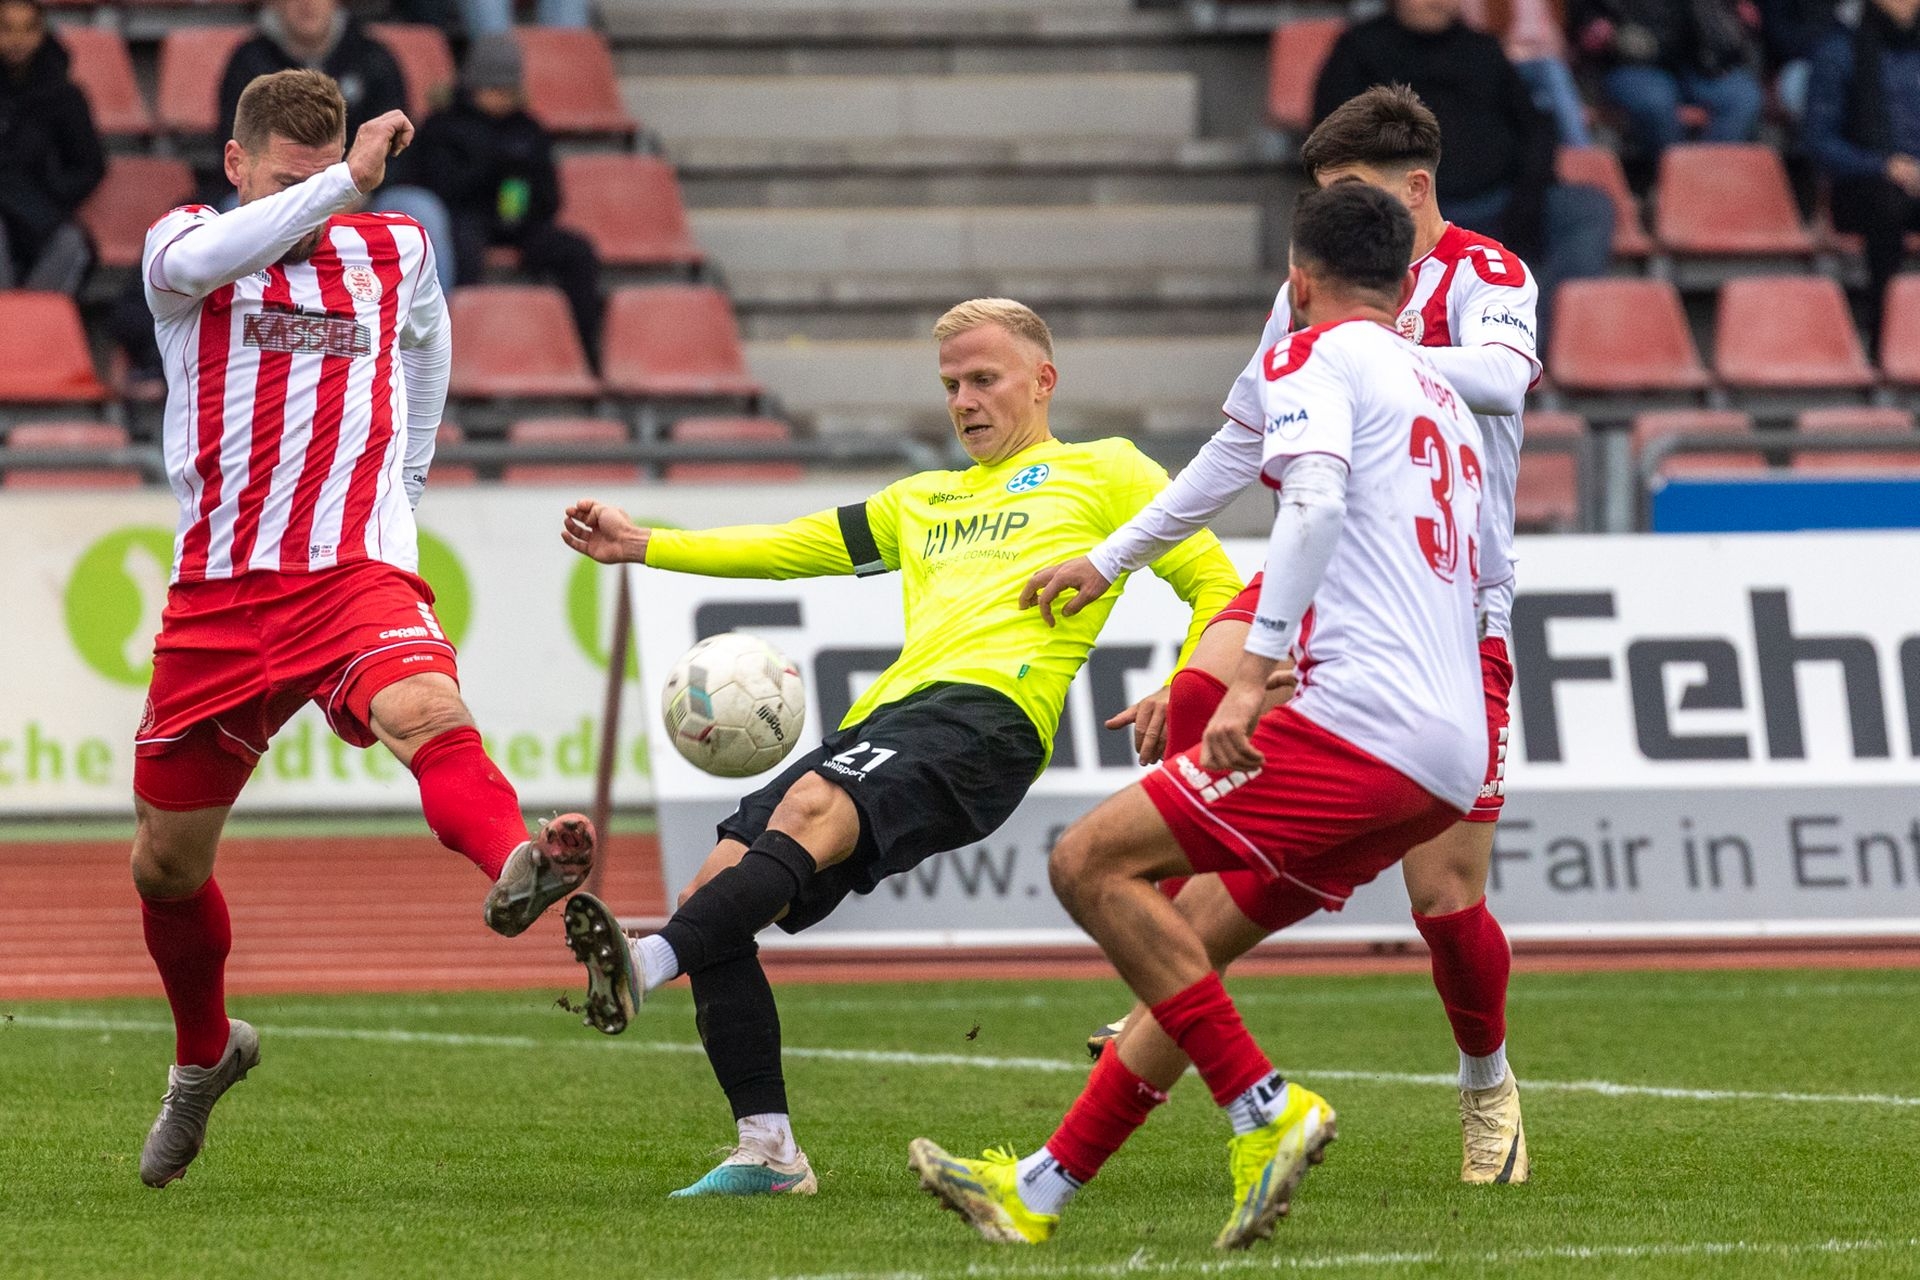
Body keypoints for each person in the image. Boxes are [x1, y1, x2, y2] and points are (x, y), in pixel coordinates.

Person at [555, 297, 1243, 1198]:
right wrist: (645, 544)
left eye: (984, 379)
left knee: (804, 815)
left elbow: (1218, 584)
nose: (964, 401)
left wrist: (1186, 685)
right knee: (712, 892)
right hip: (890, 718)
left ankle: (645, 965)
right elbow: (792, 546)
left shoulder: (1107, 470)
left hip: (991, 719)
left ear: (1044, 381)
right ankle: (769, 1152)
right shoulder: (924, 499)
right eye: (951, 384)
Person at [910, 182, 1488, 1250]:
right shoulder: (1440, 393)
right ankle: (1040, 1187)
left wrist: (1255, 671)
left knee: (1089, 863)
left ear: (1298, 281)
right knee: (1182, 951)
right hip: (1449, 752)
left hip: (1361, 722)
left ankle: (1265, 1109)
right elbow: (1247, 470)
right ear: (1406, 284)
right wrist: (1108, 558)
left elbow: (1311, 501)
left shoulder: (1314, 355)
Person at [1050, 85, 1537, 1186]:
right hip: (1321, 573)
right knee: (1195, 695)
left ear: (1415, 190)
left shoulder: (1487, 275)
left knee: (1445, 897)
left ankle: (1486, 1082)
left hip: (1449, 601)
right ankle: (1170, 960)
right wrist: (1111, 558)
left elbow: (1506, 383)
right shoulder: (1309, 301)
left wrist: (1366, 352)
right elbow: (1239, 442)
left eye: (1348, 195)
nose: (1325, 222)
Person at [133, 69, 595, 1190]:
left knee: (427, 709)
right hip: (219, 594)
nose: (314, 208)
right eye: (287, 184)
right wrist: (341, 179)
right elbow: (212, 255)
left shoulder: (396, 250)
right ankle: (204, 1054)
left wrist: (410, 478)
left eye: (328, 183)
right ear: (236, 166)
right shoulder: (184, 244)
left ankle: (517, 860)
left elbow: (428, 346)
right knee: (164, 867)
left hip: (351, 572)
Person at [1313, 0, 1612, 329]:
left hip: (1500, 206)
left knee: (1585, 210)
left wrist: (1527, 195)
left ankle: (1533, 338)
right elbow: (1333, 139)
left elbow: (1535, 128)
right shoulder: (1359, 48)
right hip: (1405, 216)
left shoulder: (1483, 48)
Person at [219, 0, 453, 291]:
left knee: (423, 210)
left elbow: (400, 143)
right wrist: (303, 195)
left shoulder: (373, 56)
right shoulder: (249, 61)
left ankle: (430, 319)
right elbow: (237, 144)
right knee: (232, 213)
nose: (308, 5)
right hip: (277, 195)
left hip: (365, 194)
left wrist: (354, 190)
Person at [401, 35, 602, 353]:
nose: (502, 97)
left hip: (522, 223)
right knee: (461, 249)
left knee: (577, 252)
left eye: (508, 89)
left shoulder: (528, 128)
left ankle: (586, 351)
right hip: (465, 219)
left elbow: (550, 197)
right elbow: (437, 187)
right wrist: (487, 168)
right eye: (494, 88)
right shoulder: (443, 125)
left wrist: (524, 186)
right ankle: (456, 348)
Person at [1806, 0, 1920, 345]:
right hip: (1862, 186)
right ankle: (1885, 338)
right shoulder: (1839, 52)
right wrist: (1884, 166)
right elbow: (1820, 141)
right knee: (1887, 207)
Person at [1570, 0, 1766, 157]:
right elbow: (1585, 26)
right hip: (1630, 66)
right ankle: (1674, 182)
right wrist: (1597, 29)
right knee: (1656, 101)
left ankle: (1708, 177)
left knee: (1743, 96)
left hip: (1695, 63)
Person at [0, 0, 103, 293]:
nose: (17, 39)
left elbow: (89, 165)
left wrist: (51, 192)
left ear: (42, 33)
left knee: (71, 245)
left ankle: (30, 321)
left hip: (43, 213)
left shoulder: (65, 97)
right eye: (6, 28)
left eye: (27, 29)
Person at [1460, 0, 1592, 145]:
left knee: (1544, 99)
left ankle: (1574, 142)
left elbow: (1555, 42)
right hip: (1502, 64)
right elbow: (1478, 40)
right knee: (1550, 75)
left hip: (1542, 65)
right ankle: (1580, 147)